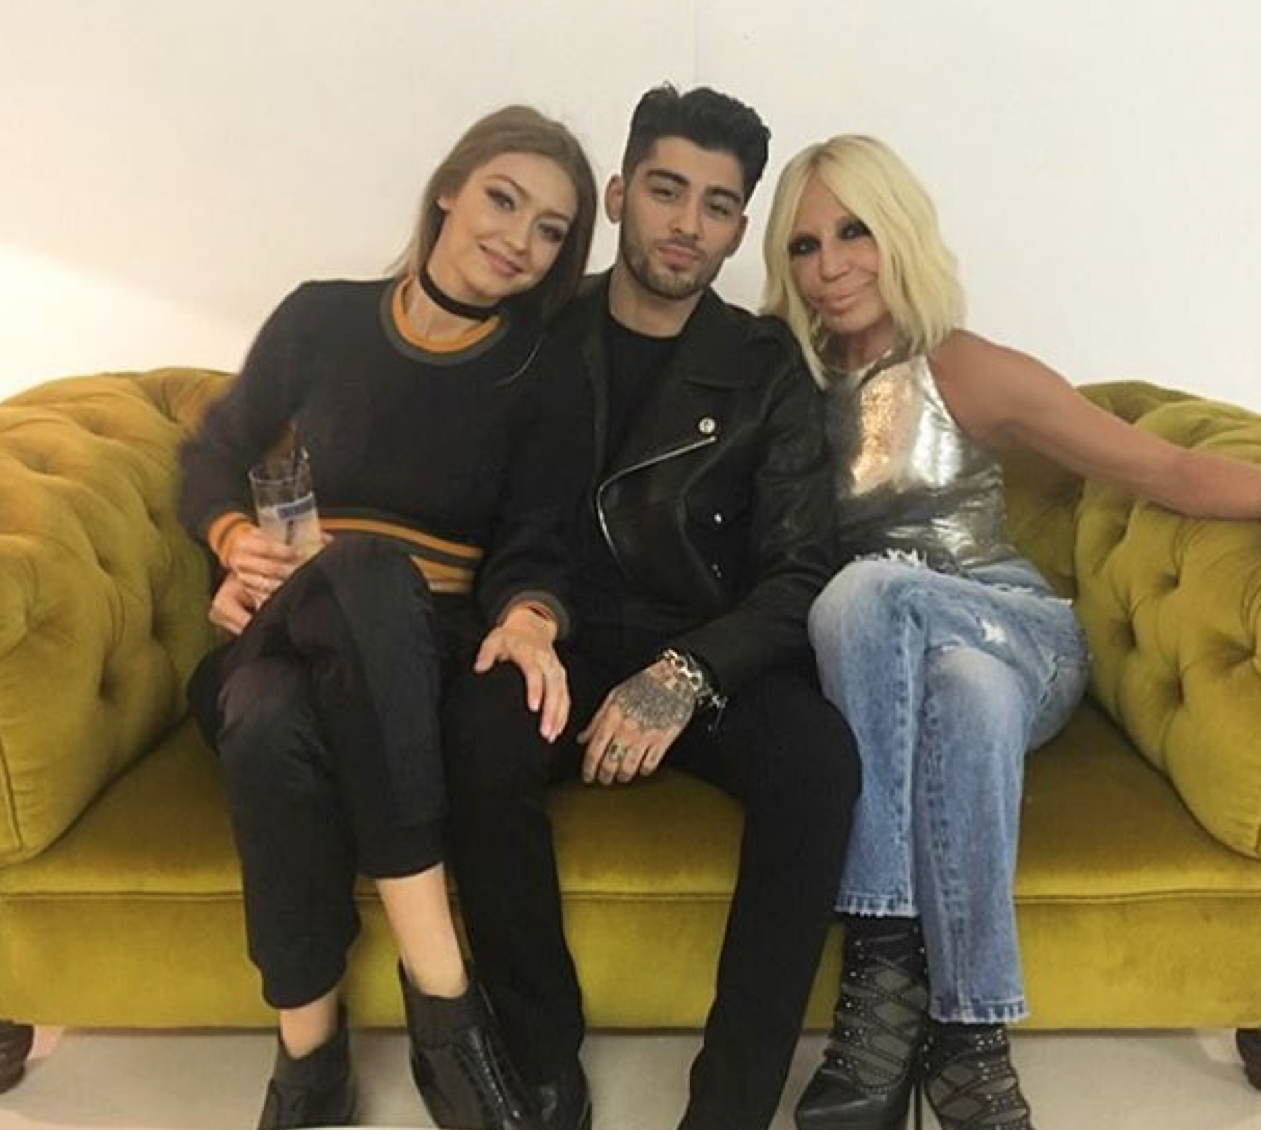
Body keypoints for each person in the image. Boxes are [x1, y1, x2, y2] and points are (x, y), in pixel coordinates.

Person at [761, 132, 1261, 1130]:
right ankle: (970, 1043)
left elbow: (1157, 468)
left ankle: (881, 976)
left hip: (1013, 627)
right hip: (924, 672)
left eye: (854, 231)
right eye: (804, 245)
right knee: (957, 692)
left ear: (898, 234)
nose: (831, 264)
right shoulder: (782, 385)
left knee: (860, 596)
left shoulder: (958, 365)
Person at [441, 85, 862, 1130]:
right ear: (621, 194)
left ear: (738, 229)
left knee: (819, 763)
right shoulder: (532, 328)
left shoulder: (766, 366)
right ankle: (541, 1058)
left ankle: (730, 1104)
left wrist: (688, 673)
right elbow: (463, 503)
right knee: (477, 731)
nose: (687, 223)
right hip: (555, 629)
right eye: (667, 190)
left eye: (717, 205)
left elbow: (800, 570)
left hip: (705, 643)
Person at [178, 104, 597, 1130]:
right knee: (339, 585)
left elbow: (540, 535)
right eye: (504, 199)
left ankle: (307, 1058)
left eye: (550, 229)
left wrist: (530, 615)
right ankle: (444, 1000)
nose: (520, 238)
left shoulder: (542, 370)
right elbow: (210, 453)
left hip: (428, 644)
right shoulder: (319, 317)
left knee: (269, 716)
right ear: (449, 188)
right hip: (288, 616)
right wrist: (231, 542)